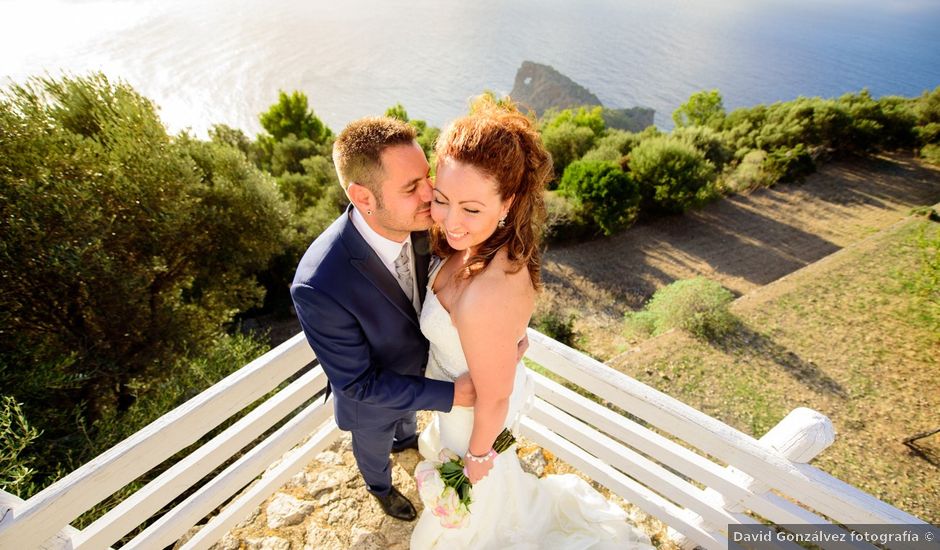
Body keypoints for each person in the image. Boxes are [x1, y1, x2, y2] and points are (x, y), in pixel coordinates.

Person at [410, 97, 654, 549]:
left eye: (471, 208)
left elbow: (496, 393)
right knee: (497, 497)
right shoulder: (475, 244)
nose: (450, 220)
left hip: (478, 416)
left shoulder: (488, 290)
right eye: (442, 199)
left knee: (479, 508)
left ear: (509, 202)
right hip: (468, 401)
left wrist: (478, 457)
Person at [290, 116, 478, 522]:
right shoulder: (319, 283)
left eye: (426, 177)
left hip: (418, 380)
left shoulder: (424, 224)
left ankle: (407, 439)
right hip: (370, 406)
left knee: (406, 428)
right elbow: (357, 384)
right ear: (363, 197)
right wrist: (451, 396)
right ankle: (381, 489)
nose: (431, 194)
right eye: (411, 188)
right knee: (373, 452)